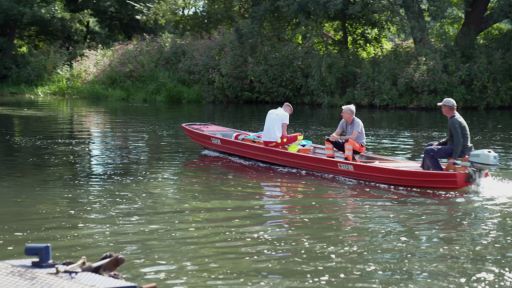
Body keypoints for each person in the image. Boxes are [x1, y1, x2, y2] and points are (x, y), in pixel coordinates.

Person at [421, 98, 472, 171]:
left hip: (460, 150)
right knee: (430, 145)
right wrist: (439, 143)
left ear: (447, 108)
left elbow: (459, 141)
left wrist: (454, 158)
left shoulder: (454, 121)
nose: (441, 109)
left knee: (428, 151)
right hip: (460, 147)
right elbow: (451, 138)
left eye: (442, 107)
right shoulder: (455, 117)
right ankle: (425, 170)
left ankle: (438, 173)